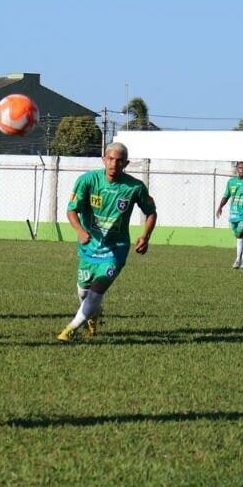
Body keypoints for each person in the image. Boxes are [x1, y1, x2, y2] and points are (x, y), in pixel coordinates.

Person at [57, 142, 157, 342]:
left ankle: (70, 329)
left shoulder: (135, 187)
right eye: (110, 159)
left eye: (119, 160)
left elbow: (151, 212)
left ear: (126, 163)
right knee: (83, 291)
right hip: (89, 247)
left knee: (97, 290)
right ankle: (92, 316)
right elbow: (71, 210)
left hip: (115, 250)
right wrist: (79, 230)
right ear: (104, 159)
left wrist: (145, 236)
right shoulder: (87, 181)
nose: (114, 163)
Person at [216, 161, 243, 269]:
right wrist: (220, 207)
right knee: (238, 236)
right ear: (237, 169)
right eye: (240, 168)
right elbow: (226, 196)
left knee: (240, 234)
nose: (242, 170)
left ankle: (238, 260)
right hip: (233, 213)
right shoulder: (231, 182)